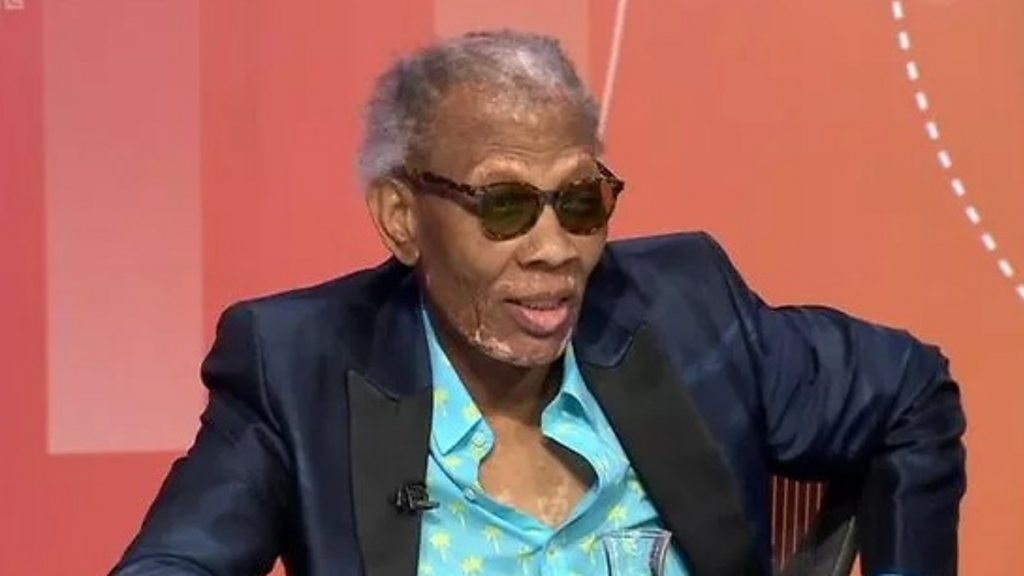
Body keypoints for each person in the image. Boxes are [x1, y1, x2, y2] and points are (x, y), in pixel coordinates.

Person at [110, 30, 965, 576]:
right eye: (505, 206)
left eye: (581, 201)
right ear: (403, 218)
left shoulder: (688, 311)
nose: (555, 248)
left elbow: (910, 393)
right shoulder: (298, 366)